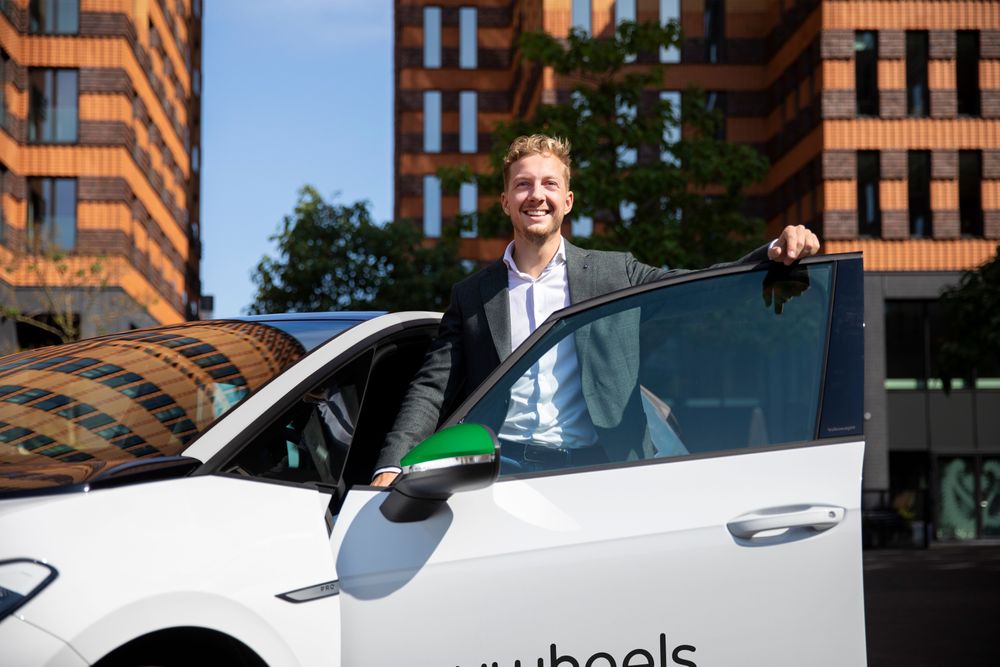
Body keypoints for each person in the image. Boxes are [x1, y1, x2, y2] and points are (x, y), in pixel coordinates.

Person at [372, 134, 819, 486]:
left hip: (600, 470)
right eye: (523, 184)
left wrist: (773, 255)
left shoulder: (612, 272)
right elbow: (430, 389)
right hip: (498, 470)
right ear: (506, 201)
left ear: (567, 201)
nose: (536, 195)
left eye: (550, 184)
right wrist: (393, 464)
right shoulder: (472, 295)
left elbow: (695, 290)